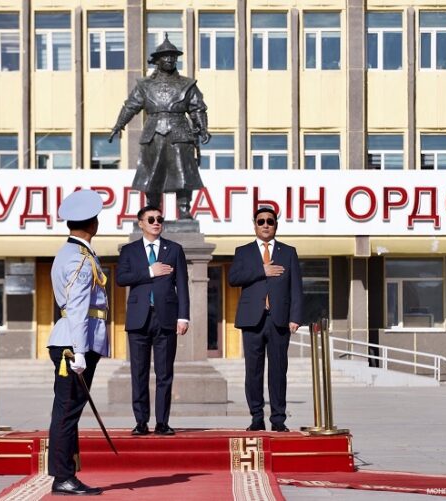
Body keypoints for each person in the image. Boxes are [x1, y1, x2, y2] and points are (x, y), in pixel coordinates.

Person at [47, 189, 108, 496]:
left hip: (70, 341)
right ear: (93, 224)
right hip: (74, 344)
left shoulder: (70, 252)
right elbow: (79, 307)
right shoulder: (80, 259)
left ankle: (65, 473)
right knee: (67, 411)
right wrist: (81, 351)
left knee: (67, 409)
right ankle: (63, 477)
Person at [109, 35, 210, 220]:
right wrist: (118, 125)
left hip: (180, 131)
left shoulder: (187, 84)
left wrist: (203, 128)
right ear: (157, 60)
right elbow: (131, 106)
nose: (170, 59)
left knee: (183, 172)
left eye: (173, 56)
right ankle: (152, 208)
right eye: (165, 56)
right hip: (153, 133)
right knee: (152, 172)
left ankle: (184, 208)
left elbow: (197, 108)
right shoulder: (145, 85)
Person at [228, 207, 304, 432]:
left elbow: (296, 288)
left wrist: (295, 317)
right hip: (252, 320)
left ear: (275, 225)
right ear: (255, 225)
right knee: (253, 371)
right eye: (261, 221)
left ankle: (278, 419)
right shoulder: (243, 252)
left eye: (270, 221)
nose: (265, 225)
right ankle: (256, 417)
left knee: (278, 371)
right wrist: (262, 271)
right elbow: (234, 278)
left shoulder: (288, 252)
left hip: (279, 320)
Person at [116, 205, 190, 436]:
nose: (156, 222)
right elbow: (121, 278)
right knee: (138, 373)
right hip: (139, 318)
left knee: (164, 373)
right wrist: (150, 271)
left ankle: (162, 422)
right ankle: (141, 422)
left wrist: (183, 317)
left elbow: (182, 285)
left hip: (166, 318)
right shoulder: (129, 250)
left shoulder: (174, 249)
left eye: (159, 219)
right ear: (141, 223)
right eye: (151, 219)